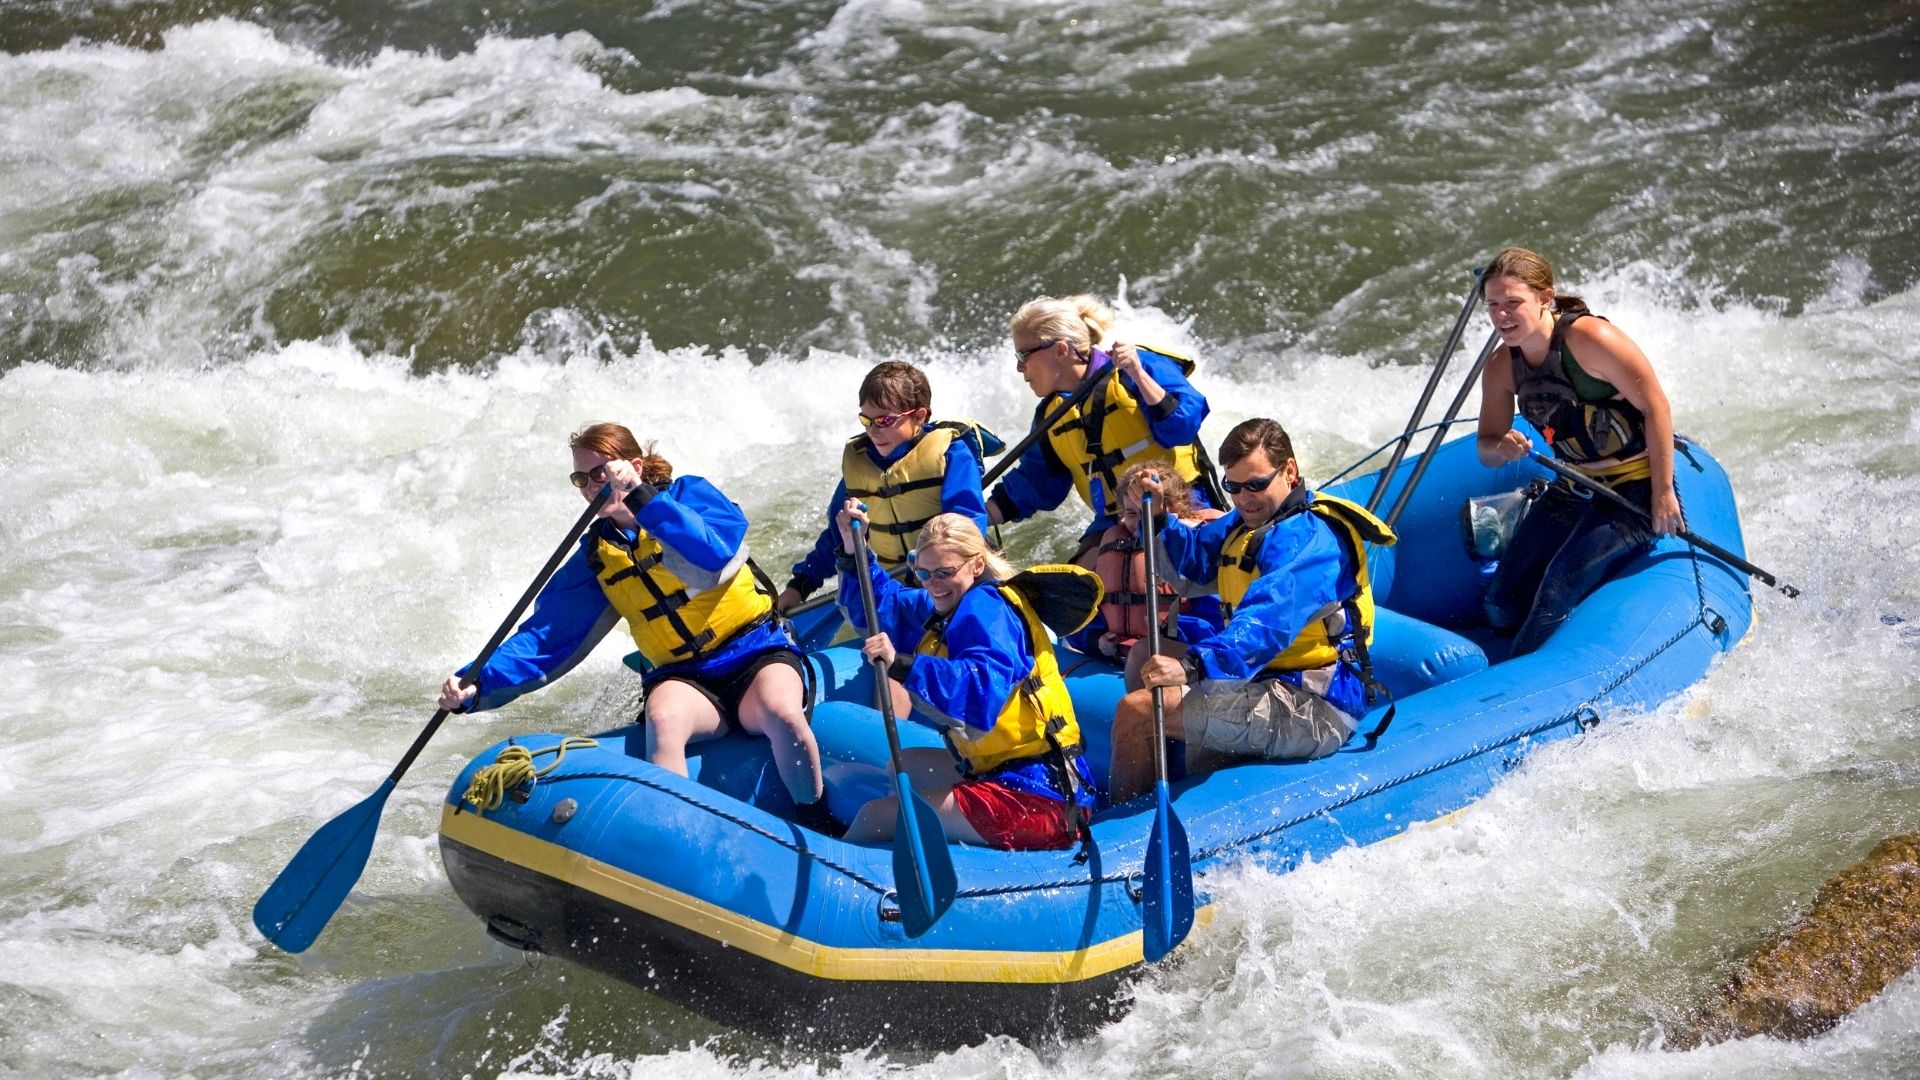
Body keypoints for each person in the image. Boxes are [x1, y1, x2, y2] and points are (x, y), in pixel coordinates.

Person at [438, 422, 832, 831]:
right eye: (581, 479)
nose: (592, 487)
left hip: (755, 654)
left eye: (601, 473)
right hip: (686, 678)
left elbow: (713, 552)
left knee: (783, 713)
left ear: (634, 466)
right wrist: (477, 683)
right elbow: (547, 638)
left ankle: (816, 819)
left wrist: (643, 499)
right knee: (663, 722)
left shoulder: (690, 495)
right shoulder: (597, 555)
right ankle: (679, 836)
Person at [1106, 418, 1396, 804]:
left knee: (1138, 712)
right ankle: (1174, 787)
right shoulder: (1245, 524)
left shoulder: (1310, 540)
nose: (1244, 498)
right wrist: (1158, 517)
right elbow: (1190, 567)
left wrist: (1192, 665)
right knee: (1144, 656)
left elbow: (1265, 623)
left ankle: (1123, 835)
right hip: (1263, 681)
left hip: (1313, 704)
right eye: (1233, 487)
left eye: (1256, 484)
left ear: (1289, 471)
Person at [834, 507, 1099, 850]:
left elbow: (980, 689)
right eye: (923, 572)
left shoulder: (989, 610)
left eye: (944, 572)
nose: (933, 584)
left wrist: (902, 665)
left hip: (1041, 797)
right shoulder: (948, 600)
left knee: (874, 815)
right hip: (1000, 769)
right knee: (904, 766)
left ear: (976, 564)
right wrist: (854, 551)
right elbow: (887, 605)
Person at [1474, 246, 1683, 656]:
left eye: (1513, 303)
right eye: (1493, 305)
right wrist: (1501, 446)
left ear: (1545, 299)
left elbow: (1655, 405)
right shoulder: (1501, 367)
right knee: (1500, 607)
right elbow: (1485, 447)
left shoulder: (1590, 339)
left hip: (1633, 493)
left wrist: (1662, 492)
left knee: (1556, 590)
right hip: (1574, 486)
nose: (1502, 316)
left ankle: (1523, 678)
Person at [987, 293, 1216, 566]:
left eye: (1023, 355)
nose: (1018, 366)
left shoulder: (1135, 367)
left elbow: (1181, 426)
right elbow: (1037, 484)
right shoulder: (1050, 414)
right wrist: (975, 515)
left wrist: (1139, 374)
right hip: (1113, 520)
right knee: (1074, 594)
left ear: (1061, 350)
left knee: (1141, 574)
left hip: (1180, 505)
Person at [779, 361, 997, 611]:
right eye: (866, 420)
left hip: (951, 585)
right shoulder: (859, 464)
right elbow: (838, 535)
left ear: (919, 416)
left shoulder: (952, 454)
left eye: (884, 421)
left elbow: (967, 524)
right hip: (894, 591)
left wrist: (932, 567)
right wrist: (800, 585)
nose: (873, 431)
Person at [1084, 460, 1224, 678]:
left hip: (1183, 662)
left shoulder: (1197, 552)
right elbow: (1091, 609)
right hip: (1119, 663)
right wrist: (1096, 639)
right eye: (1131, 514)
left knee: (1143, 654)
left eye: (1145, 513)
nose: (1139, 523)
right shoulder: (1117, 547)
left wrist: (1171, 633)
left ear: (1176, 510)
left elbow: (1215, 624)